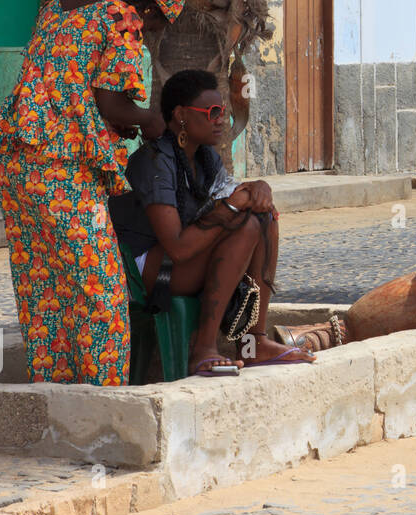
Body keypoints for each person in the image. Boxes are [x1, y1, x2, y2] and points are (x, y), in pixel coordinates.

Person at [0, 0, 188, 384]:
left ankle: (55, 395)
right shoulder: (124, 17)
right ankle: (103, 401)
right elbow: (113, 106)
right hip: (60, 167)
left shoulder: (60, 5)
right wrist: (152, 122)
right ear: (151, 8)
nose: (148, 31)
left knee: (44, 286)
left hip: (14, 158)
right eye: (156, 24)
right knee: (101, 290)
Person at [109, 70, 314, 375]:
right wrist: (233, 205)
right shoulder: (154, 162)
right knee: (243, 225)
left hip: (188, 256)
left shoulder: (205, 158)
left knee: (263, 216)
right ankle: (203, 349)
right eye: (212, 112)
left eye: (223, 112)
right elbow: (177, 247)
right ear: (180, 116)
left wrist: (259, 190)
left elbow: (235, 199)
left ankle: (254, 341)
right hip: (153, 274)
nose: (221, 119)